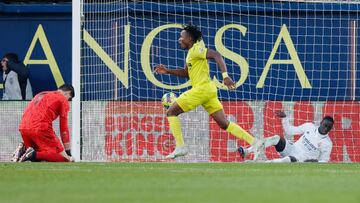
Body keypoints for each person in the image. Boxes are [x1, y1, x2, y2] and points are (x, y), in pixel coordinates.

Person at [154, 23, 263, 159]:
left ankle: (181, 146)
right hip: (208, 91)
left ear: (190, 38)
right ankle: (255, 142)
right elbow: (186, 73)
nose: (179, 39)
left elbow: (216, 55)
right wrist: (167, 70)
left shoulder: (196, 49)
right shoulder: (190, 54)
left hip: (202, 89)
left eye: (181, 37)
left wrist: (225, 76)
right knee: (224, 123)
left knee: (171, 112)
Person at [238, 111, 334, 163]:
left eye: (329, 127)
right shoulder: (309, 126)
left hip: (300, 160)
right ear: (321, 123)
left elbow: (324, 161)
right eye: (325, 125)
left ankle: (259, 164)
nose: (326, 128)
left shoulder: (327, 143)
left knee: (288, 160)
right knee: (276, 138)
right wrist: (285, 119)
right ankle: (247, 151)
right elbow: (290, 131)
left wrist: (315, 162)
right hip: (292, 148)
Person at [12, 84, 75, 162]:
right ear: (68, 93)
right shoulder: (62, 99)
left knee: (38, 159)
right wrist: (68, 152)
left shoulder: (41, 94)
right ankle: (31, 153)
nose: (68, 100)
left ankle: (24, 150)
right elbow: (63, 128)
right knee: (63, 158)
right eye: (69, 98)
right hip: (40, 128)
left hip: (23, 127)